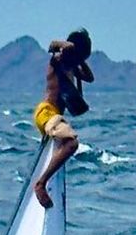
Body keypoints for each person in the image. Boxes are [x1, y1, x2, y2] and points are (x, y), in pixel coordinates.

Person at [33, 28, 95, 209]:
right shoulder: (57, 60)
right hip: (46, 112)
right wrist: (71, 46)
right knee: (71, 144)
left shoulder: (72, 67)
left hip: (54, 116)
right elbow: (52, 45)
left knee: (62, 143)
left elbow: (90, 77)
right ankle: (40, 184)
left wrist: (80, 60)